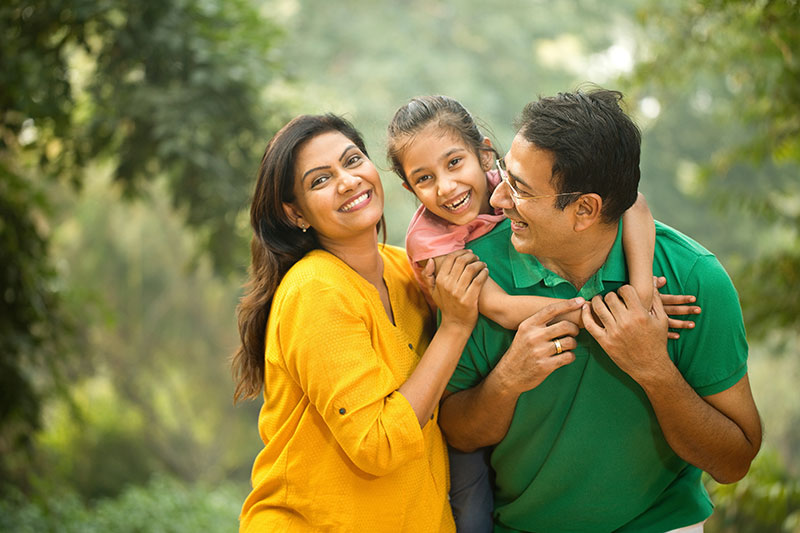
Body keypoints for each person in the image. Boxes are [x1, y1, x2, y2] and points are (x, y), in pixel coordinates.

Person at [438, 88, 762, 533]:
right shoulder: (477, 275)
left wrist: (653, 368)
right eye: (504, 176)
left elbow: (735, 461)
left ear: (586, 209)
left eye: (521, 189)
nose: (497, 201)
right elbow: (457, 433)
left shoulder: (693, 278)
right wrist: (508, 379)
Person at [386, 95, 700, 532]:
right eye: (424, 179)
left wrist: (642, 292)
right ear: (409, 189)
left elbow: (631, 202)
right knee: (472, 509)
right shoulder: (432, 243)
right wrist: (612, 314)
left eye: (454, 163)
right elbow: (503, 307)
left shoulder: (512, 180)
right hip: (467, 367)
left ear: (484, 152)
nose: (446, 187)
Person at [231, 113, 499, 532]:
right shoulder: (315, 290)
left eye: (352, 161)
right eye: (320, 180)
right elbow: (378, 444)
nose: (348, 181)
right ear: (295, 213)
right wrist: (454, 327)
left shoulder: (406, 269)